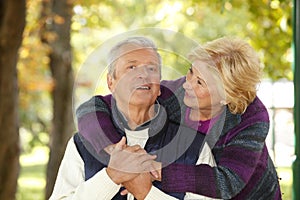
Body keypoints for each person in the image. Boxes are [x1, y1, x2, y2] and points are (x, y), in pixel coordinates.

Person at [76, 36, 282, 199]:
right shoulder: (176, 94)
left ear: (226, 96)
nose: (187, 84)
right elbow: (91, 108)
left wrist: (155, 170)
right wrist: (116, 151)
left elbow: (229, 182)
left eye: (199, 82)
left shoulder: (252, 117)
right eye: (190, 72)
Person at [49, 36, 214, 200]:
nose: (142, 74)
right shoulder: (82, 144)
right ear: (110, 82)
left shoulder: (194, 147)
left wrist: (147, 194)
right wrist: (111, 177)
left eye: (151, 69)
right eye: (131, 67)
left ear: (159, 87)